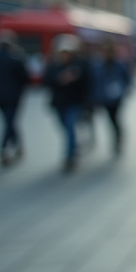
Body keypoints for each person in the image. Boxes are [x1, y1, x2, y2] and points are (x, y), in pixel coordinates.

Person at [0, 30, 30, 166]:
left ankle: (18, 146)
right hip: (13, 97)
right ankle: (3, 150)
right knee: (9, 122)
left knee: (9, 120)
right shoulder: (16, 58)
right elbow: (25, 79)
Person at [44, 34, 91, 172]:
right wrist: (59, 79)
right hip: (59, 103)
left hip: (75, 102)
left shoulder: (80, 64)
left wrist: (76, 77)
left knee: (70, 127)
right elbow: (46, 82)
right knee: (65, 128)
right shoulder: (54, 66)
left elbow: (88, 81)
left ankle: (69, 157)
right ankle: (73, 146)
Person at [91, 41, 131, 155]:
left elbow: (126, 78)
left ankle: (118, 137)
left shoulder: (119, 64)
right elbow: (96, 82)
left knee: (115, 118)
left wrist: (123, 89)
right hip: (105, 98)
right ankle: (116, 137)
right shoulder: (98, 65)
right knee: (110, 119)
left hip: (117, 97)